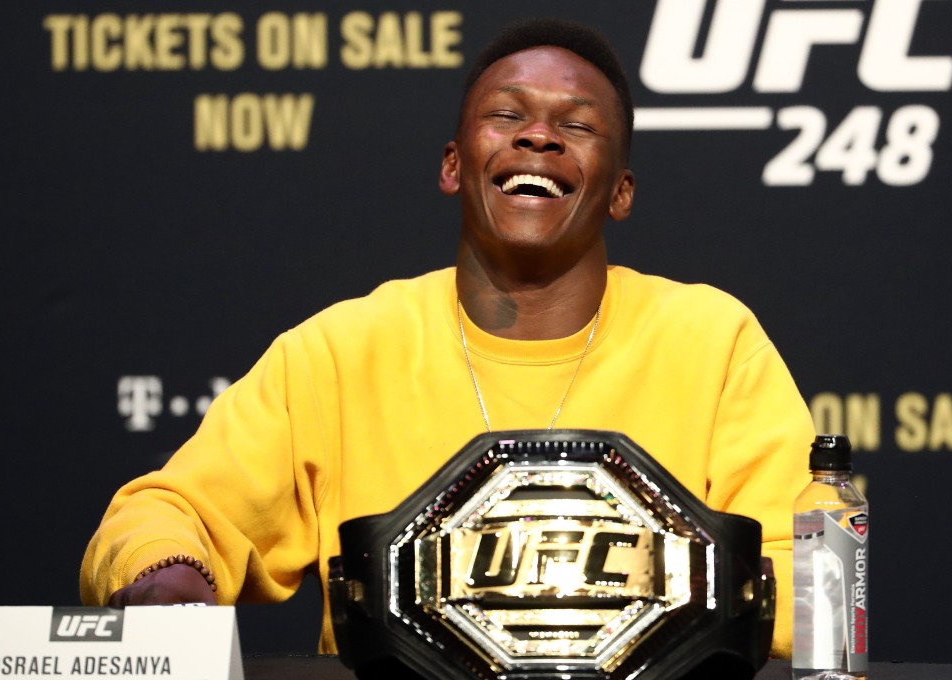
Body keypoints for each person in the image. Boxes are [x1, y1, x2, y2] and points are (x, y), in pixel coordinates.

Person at [81, 18, 814, 659]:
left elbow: (806, 582)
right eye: (507, 115)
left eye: (576, 125)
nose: (538, 135)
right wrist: (168, 578)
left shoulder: (713, 342)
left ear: (620, 191)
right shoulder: (341, 352)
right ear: (453, 165)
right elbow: (167, 514)